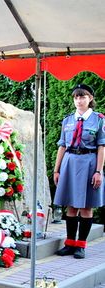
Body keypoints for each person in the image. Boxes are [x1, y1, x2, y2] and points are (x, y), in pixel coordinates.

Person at [53, 84, 105, 259]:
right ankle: (69, 243)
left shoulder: (99, 120)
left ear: (90, 99)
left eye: (82, 97)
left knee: (86, 206)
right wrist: (56, 170)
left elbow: (101, 147)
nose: (79, 100)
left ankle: (80, 245)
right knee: (71, 205)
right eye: (76, 97)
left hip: (89, 162)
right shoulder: (67, 120)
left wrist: (99, 171)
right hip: (69, 162)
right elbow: (61, 146)